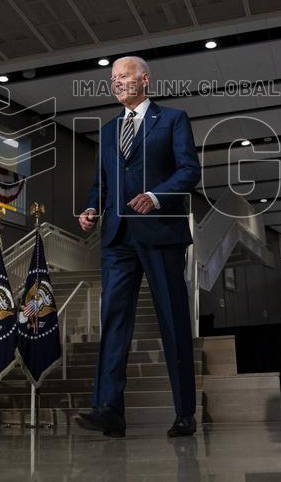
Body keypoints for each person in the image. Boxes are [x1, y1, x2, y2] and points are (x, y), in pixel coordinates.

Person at [76, 56, 201, 439]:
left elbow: (189, 170)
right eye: (112, 78)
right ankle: (109, 409)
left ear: (144, 79)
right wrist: (92, 208)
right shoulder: (108, 131)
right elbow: (101, 184)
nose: (116, 82)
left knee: (173, 321)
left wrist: (156, 196)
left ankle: (185, 413)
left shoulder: (173, 120)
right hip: (117, 239)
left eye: (124, 75)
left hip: (161, 233)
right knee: (113, 322)